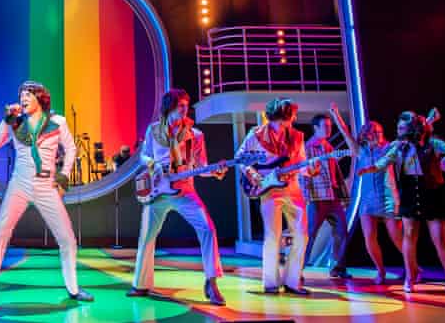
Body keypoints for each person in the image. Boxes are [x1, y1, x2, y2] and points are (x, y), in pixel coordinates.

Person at [0, 81, 94, 311]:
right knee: (0, 231)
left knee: (67, 239)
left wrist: (63, 175)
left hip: (46, 186)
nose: (23, 97)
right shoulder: (15, 123)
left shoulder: (57, 122)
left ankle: (73, 288)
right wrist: (7, 119)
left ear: (40, 97)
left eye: (28, 94)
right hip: (19, 184)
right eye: (21, 94)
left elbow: (70, 149)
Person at [126, 89, 228, 305]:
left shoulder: (195, 135)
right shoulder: (154, 130)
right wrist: (151, 163)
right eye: (180, 105)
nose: (184, 109)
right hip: (158, 191)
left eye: (185, 105)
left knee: (207, 228)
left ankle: (212, 282)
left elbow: (201, 166)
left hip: (185, 191)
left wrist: (215, 171)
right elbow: (144, 155)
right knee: (147, 237)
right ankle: (141, 284)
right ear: (169, 107)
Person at [359, 110, 445, 293]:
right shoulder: (400, 146)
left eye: (401, 128)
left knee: (439, 238)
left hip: (431, 193)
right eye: (398, 127)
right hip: (409, 194)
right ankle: (410, 277)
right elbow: (384, 161)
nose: (398, 131)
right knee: (408, 237)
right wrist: (370, 168)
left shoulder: (433, 143)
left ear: (412, 128)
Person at [236, 97, 319, 295]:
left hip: (292, 188)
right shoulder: (256, 135)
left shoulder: (297, 136)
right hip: (269, 189)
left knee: (301, 234)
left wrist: (311, 169)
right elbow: (240, 159)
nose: (295, 117)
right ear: (283, 117)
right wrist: (252, 173)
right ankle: (271, 283)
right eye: (291, 114)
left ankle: (292, 281)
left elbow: (301, 163)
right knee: (273, 236)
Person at [329, 103, 402, 285]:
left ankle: (413, 268)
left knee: (398, 238)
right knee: (369, 237)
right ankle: (381, 271)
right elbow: (346, 135)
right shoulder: (361, 151)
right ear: (366, 135)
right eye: (372, 132)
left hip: (388, 199)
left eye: (378, 131)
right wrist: (336, 115)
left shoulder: (388, 148)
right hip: (368, 201)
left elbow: (404, 142)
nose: (376, 134)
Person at [302, 114, 351, 279]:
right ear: (316, 128)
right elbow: (303, 175)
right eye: (325, 126)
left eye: (330, 126)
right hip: (317, 198)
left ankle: (337, 267)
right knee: (310, 234)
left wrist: (341, 194)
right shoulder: (308, 148)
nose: (329, 129)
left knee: (342, 231)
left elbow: (333, 173)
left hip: (332, 197)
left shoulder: (328, 147)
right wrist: (306, 197)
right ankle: (296, 270)